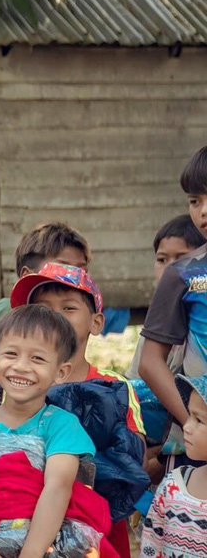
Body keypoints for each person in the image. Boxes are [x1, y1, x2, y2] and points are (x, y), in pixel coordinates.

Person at [0, 306, 99, 557]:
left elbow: (57, 487)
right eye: (11, 354)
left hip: (46, 545)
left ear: (61, 372)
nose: (21, 366)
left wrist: (32, 553)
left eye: (37, 358)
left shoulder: (62, 425)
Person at [10, 263, 144, 435]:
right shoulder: (17, 380)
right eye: (43, 309)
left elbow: (135, 455)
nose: (55, 316)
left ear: (96, 323)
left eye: (68, 308)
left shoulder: (115, 388)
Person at [139, 145, 207, 463]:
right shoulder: (183, 274)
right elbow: (151, 362)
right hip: (197, 442)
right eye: (195, 201)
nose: (202, 211)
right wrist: (194, 421)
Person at [0, 222, 90, 352]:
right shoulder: (6, 311)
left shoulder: (80, 319)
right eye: (62, 268)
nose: (75, 278)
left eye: (82, 271)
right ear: (27, 275)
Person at [126, 214, 205, 379]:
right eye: (162, 260)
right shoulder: (156, 327)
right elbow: (136, 383)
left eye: (182, 259)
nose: (170, 269)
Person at [141, 372, 207, 556]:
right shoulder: (172, 486)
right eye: (190, 416)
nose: (186, 426)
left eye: (199, 420)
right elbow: (150, 548)